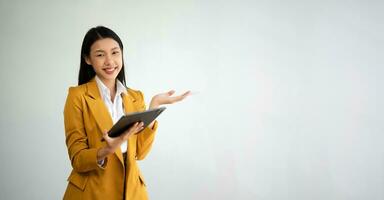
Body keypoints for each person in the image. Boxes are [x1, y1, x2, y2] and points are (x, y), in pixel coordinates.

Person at [63, 26, 190, 200]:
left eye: (115, 53)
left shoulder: (135, 97)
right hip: (92, 191)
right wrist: (106, 150)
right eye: (100, 55)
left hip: (130, 191)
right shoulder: (77, 96)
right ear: (87, 59)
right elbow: (77, 159)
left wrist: (154, 107)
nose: (110, 61)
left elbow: (140, 153)